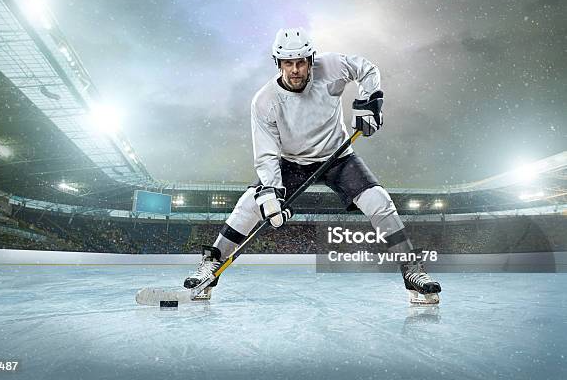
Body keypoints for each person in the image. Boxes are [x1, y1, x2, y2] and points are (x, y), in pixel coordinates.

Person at [184, 27, 441, 304]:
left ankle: (414, 272)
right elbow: (267, 154)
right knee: (249, 204)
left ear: (311, 59)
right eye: (288, 63)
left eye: (301, 62)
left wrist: (369, 101)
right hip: (291, 163)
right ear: (278, 63)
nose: (295, 70)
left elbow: (367, 70)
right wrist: (271, 196)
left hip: (338, 158)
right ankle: (210, 268)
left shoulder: (331, 67)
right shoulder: (264, 101)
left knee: (379, 201)